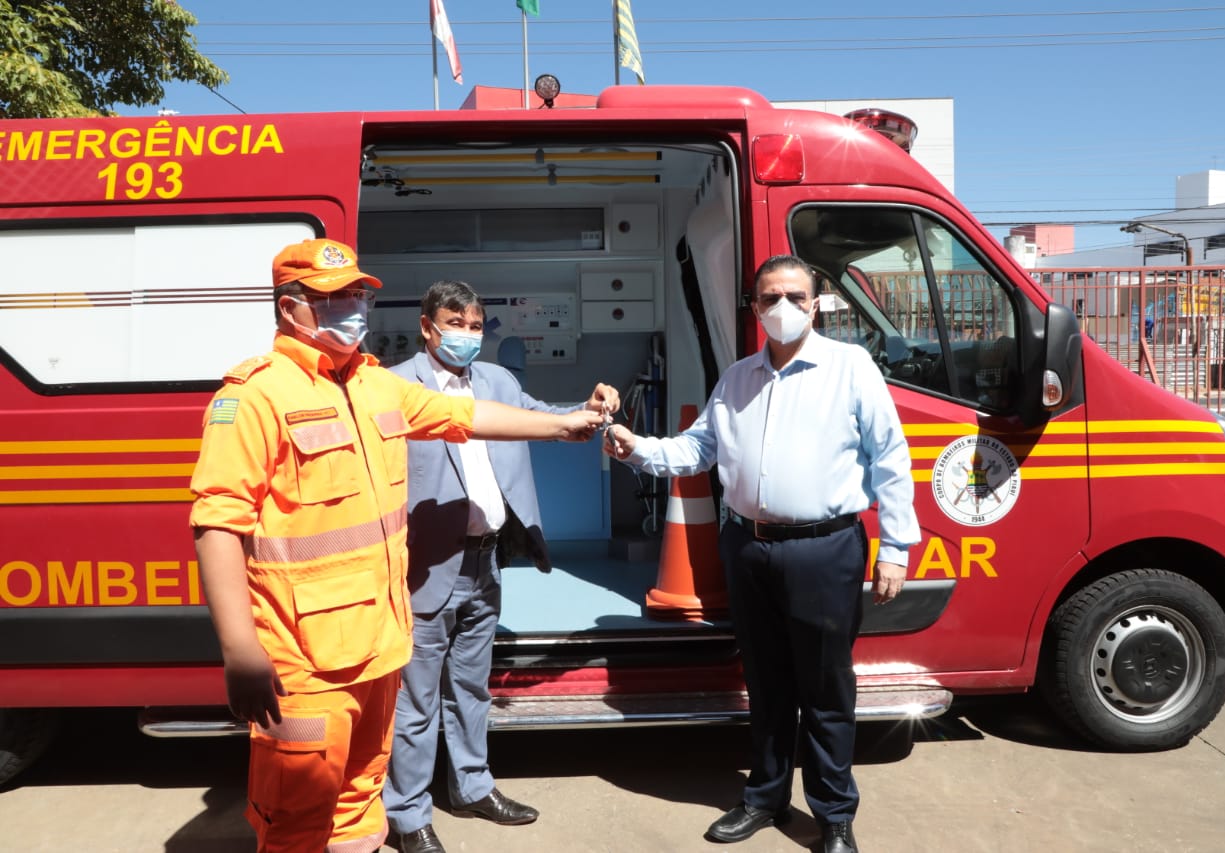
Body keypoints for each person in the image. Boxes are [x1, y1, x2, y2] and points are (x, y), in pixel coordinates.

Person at [189, 238, 603, 853]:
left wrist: (565, 425)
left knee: (359, 807)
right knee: (297, 819)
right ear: (289, 308)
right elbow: (217, 522)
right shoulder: (254, 396)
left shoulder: (374, 385)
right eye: (333, 298)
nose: (352, 307)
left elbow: (466, 416)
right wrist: (239, 649)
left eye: (357, 294)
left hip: (382, 643)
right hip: (305, 661)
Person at [604, 254, 920, 853]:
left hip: (824, 549)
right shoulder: (738, 377)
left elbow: (891, 458)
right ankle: (766, 796)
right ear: (754, 307)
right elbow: (697, 451)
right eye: (771, 297)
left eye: (797, 297)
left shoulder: (849, 368)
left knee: (826, 688)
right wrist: (636, 448)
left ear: (816, 302)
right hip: (748, 547)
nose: (784, 308)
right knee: (766, 683)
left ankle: (833, 814)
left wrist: (896, 547)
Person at [383, 280, 619, 853]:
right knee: (414, 702)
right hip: (424, 566)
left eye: (473, 324)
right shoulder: (391, 387)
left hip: (486, 561)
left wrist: (588, 410)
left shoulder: (498, 381)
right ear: (426, 325)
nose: (465, 335)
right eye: (453, 323)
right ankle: (408, 814)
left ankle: (471, 786)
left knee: (471, 688)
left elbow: (544, 418)